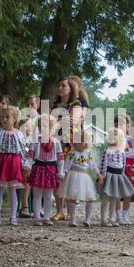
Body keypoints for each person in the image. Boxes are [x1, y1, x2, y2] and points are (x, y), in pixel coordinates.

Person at [0, 106, 27, 226]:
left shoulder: (19, 134)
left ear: (15, 119)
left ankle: (13, 216)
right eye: (2, 117)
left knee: (12, 190)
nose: (4, 119)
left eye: (7, 117)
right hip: (0, 163)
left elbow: (22, 151)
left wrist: (25, 165)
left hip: (13, 163)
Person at [50, 77, 82, 221]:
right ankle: (59, 211)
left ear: (71, 88)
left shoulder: (76, 104)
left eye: (63, 85)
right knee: (58, 176)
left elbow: (71, 122)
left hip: (70, 144)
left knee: (69, 177)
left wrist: (56, 121)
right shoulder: (54, 105)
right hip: (56, 143)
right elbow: (49, 123)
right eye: (59, 85)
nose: (60, 87)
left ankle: (71, 211)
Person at [24, 114, 64, 226]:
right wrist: (27, 168)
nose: (44, 128)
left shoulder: (56, 142)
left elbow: (60, 159)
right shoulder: (35, 141)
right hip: (38, 169)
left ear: (52, 127)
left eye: (47, 126)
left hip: (51, 170)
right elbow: (30, 156)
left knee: (48, 195)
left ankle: (47, 217)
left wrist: (60, 171)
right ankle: (37, 217)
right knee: (37, 194)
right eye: (41, 125)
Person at [57, 131, 102, 227]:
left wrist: (98, 175)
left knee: (90, 198)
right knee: (72, 197)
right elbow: (66, 165)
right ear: (76, 142)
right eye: (83, 141)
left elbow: (93, 166)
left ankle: (88, 219)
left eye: (87, 141)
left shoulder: (88, 154)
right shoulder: (72, 153)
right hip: (73, 177)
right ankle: (72, 219)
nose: (86, 143)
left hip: (85, 177)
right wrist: (63, 174)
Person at [99, 128, 134, 227]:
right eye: (111, 138)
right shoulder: (107, 152)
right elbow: (103, 165)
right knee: (106, 198)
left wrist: (122, 177)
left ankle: (112, 218)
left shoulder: (122, 152)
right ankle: (103, 219)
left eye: (116, 138)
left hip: (118, 175)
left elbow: (123, 165)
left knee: (114, 198)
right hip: (109, 175)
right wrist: (102, 176)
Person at [18, 94, 41, 218]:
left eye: (32, 104)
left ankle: (37, 206)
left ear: (37, 105)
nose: (30, 107)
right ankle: (25, 206)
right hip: (25, 152)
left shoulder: (40, 119)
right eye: (27, 104)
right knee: (26, 176)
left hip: (37, 152)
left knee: (38, 177)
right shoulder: (22, 120)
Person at [114, 114, 134, 225]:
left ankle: (125, 215)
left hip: (130, 168)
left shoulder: (131, 140)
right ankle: (118, 215)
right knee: (117, 192)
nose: (120, 126)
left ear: (128, 125)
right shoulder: (113, 140)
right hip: (118, 167)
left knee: (128, 193)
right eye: (117, 124)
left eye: (122, 124)